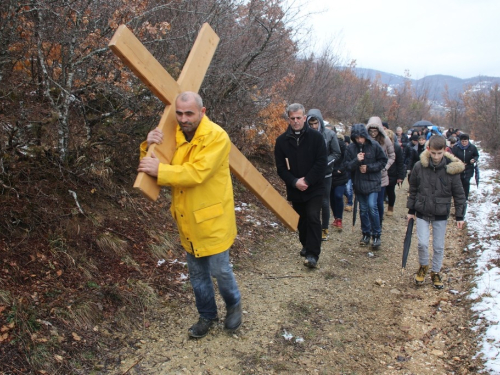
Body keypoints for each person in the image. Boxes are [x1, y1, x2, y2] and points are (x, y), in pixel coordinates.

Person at [138, 91, 242, 338]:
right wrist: (148, 144)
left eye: (189, 113)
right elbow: (150, 166)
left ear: (202, 112)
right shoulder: (173, 135)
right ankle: (206, 315)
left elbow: (197, 173)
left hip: (214, 219)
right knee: (197, 274)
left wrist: (161, 170)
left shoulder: (216, 136)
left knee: (220, 270)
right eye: (180, 113)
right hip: (187, 218)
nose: (183, 119)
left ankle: (234, 305)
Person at [407, 135, 466, 289]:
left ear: (445, 151)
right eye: (433, 153)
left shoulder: (451, 169)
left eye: (439, 153)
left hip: (441, 211)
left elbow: (459, 194)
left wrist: (460, 215)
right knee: (422, 243)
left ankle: (435, 271)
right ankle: (423, 266)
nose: (436, 157)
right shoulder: (419, 166)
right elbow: (413, 189)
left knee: (438, 246)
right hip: (422, 210)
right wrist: (411, 209)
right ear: (429, 150)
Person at [275, 103, 327, 268]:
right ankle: (305, 244)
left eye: (299, 118)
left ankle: (313, 254)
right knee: (302, 219)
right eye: (293, 118)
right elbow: (281, 168)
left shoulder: (317, 138)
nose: (296, 121)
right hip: (295, 187)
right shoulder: (282, 141)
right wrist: (294, 182)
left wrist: (307, 180)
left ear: (305, 118)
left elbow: (321, 162)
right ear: (289, 119)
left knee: (313, 216)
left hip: (315, 186)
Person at [343, 124, 388, 248]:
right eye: (357, 138)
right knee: (362, 210)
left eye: (361, 137)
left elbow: (383, 161)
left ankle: (377, 235)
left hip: (373, 181)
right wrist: (356, 161)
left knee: (372, 206)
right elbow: (346, 166)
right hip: (359, 183)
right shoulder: (351, 148)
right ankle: (366, 233)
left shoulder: (374, 145)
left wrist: (369, 168)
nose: (359, 140)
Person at [306, 109, 341, 241]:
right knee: (310, 201)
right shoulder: (305, 135)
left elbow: (336, 153)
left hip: (325, 174)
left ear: (320, 122)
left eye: (315, 123)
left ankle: (324, 228)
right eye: (311, 124)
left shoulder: (330, 134)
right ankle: (311, 227)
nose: (314, 126)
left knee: (324, 202)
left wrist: (324, 163)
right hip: (309, 174)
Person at [366, 116, 395, 224]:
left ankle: (379, 223)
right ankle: (369, 223)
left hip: (381, 176)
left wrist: (385, 167)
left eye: (375, 131)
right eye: (371, 131)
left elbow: (392, 156)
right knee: (369, 203)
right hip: (368, 175)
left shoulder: (385, 140)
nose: (373, 133)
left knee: (378, 202)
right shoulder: (365, 140)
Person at [384, 129, 406, 216]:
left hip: (392, 173)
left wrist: (400, 176)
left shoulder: (396, 148)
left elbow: (400, 162)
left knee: (390, 191)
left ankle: (390, 207)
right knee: (381, 192)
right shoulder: (380, 146)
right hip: (382, 172)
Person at [330, 129, 349, 230]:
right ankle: (336, 218)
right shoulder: (324, 143)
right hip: (329, 175)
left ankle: (339, 219)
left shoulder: (342, 144)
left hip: (340, 175)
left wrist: (340, 170)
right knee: (331, 198)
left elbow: (346, 159)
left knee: (338, 196)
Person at [452, 133, 479, 201]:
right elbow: (452, 156)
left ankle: (465, 197)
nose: (464, 143)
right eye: (462, 141)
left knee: (466, 181)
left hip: (469, 167)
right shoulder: (456, 147)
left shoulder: (472, 147)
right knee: (459, 182)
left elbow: (476, 155)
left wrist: (474, 159)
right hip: (459, 168)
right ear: (460, 141)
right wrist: (458, 162)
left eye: (465, 141)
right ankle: (459, 197)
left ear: (468, 141)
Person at [343, 135, 354, 212]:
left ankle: (350, 203)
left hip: (349, 173)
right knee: (344, 189)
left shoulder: (351, 150)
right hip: (342, 173)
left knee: (348, 188)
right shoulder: (340, 149)